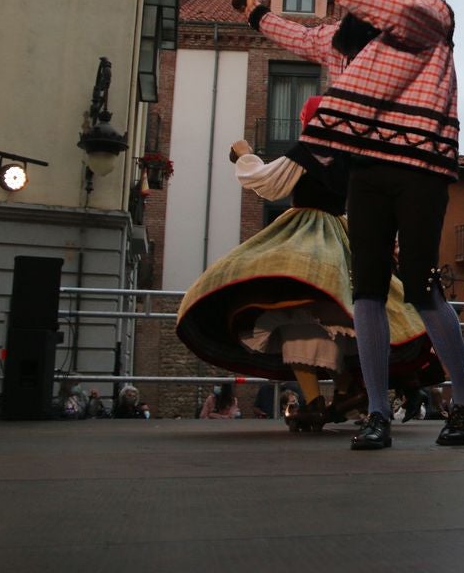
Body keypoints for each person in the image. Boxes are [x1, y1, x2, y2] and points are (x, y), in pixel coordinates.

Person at [233, 0, 464, 451]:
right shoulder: (346, 37)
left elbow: (395, 12)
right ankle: (375, 413)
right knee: (365, 287)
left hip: (419, 166)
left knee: (419, 283)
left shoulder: (432, 14)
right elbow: (300, 38)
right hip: (365, 168)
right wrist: (254, 12)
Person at [177, 98, 445, 434]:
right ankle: (346, 389)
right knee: (336, 310)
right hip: (339, 231)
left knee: (297, 308)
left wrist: (245, 153)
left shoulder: (308, 149)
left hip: (306, 231)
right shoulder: (352, 155)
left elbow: (267, 181)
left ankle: (318, 399)